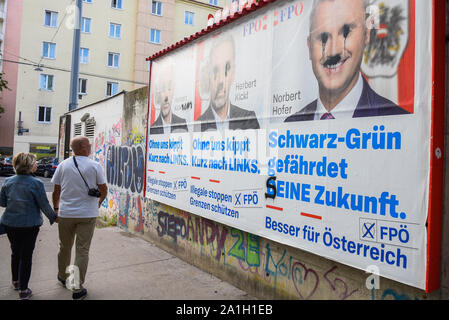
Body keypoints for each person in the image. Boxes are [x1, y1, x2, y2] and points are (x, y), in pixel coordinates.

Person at [285, 0, 409, 122]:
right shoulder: (291, 124)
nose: (333, 52)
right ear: (309, 47)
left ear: (366, 34)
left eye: (346, 32)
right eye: (323, 37)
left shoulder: (398, 122)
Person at [51, 136, 107, 300]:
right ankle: (76, 288)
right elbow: (103, 189)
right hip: (87, 214)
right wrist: (98, 203)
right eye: (89, 145)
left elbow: (56, 191)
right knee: (82, 250)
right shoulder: (95, 165)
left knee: (64, 247)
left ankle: (63, 277)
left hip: (66, 214)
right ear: (83, 147)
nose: (90, 147)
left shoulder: (63, 165)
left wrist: (56, 208)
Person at [0, 152, 58, 300]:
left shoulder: (7, 181)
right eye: (35, 163)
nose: (36, 165)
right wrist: (54, 218)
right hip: (29, 225)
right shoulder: (36, 183)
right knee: (26, 256)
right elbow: (44, 204)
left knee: (15, 252)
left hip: (10, 223)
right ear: (30, 166)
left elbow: (3, 203)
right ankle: (24, 290)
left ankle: (16, 282)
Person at [195, 35, 260, 132]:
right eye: (215, 70)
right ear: (209, 75)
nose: (221, 80)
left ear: (233, 73)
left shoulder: (248, 120)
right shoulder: (198, 125)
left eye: (227, 68)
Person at [150, 60, 188, 135]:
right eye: (163, 89)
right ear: (158, 93)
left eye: (169, 88)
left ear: (173, 90)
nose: (166, 97)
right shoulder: (153, 129)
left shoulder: (182, 123)